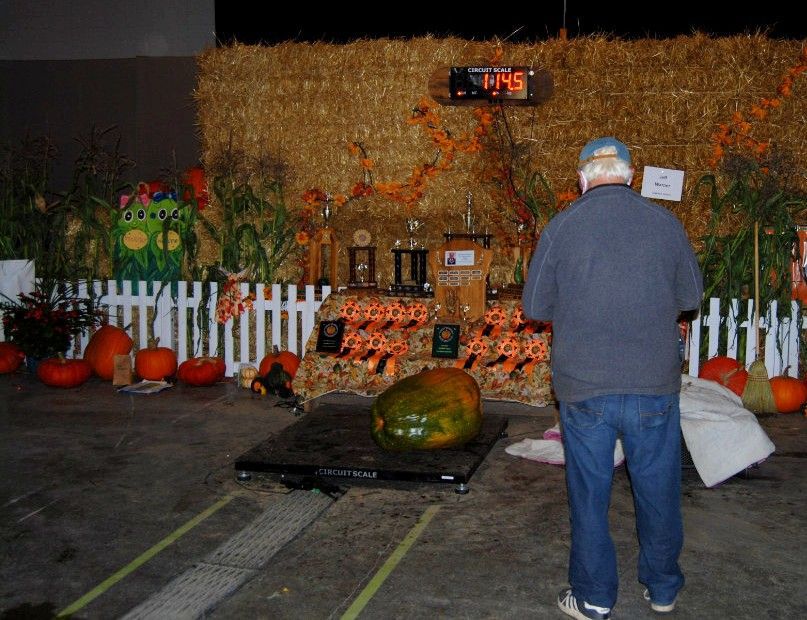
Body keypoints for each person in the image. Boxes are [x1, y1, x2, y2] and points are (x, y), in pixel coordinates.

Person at [521, 137, 703, 619]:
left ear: (582, 178)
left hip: (585, 389)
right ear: (630, 174)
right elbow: (691, 297)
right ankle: (663, 588)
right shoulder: (665, 224)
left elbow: (535, 307)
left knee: (589, 495)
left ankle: (595, 598)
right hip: (653, 386)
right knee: (658, 490)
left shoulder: (562, 227)